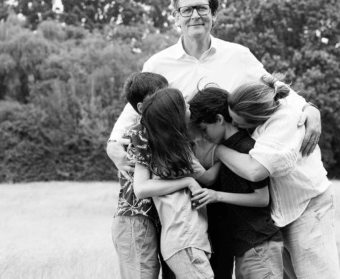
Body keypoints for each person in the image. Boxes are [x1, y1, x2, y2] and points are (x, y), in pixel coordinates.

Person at [108, 0, 321, 179]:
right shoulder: (158, 64)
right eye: (187, 10)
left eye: (202, 8)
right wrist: (114, 142)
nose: (195, 15)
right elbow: (137, 106)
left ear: (213, 15)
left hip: (233, 168)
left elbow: (273, 87)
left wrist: (308, 108)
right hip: (185, 171)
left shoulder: (238, 55)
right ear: (176, 17)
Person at [216, 75, 340, 279]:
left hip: (307, 207)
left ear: (256, 118)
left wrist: (217, 149)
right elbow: (281, 86)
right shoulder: (268, 97)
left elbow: (255, 170)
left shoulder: (283, 121)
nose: (235, 126)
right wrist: (312, 107)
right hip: (282, 214)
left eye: (238, 122)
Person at [188, 87, 284, 279]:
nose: (204, 135)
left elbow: (262, 198)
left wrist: (217, 196)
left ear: (219, 119)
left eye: (204, 128)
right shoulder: (228, 149)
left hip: (259, 245)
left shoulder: (247, 148)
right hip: (246, 247)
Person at [130, 88, 215, 279]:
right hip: (185, 239)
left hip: (185, 239)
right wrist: (224, 155)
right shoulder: (178, 152)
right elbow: (208, 178)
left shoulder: (163, 151)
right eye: (184, 105)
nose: (189, 107)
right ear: (175, 116)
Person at [111, 72, 172, 279]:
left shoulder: (153, 132)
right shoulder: (139, 135)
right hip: (135, 221)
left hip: (150, 220)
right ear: (140, 108)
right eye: (158, 97)